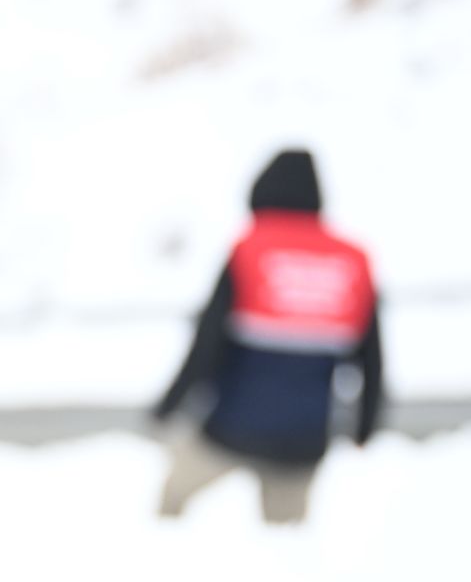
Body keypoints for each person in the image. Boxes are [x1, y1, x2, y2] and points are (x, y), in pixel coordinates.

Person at [150, 148, 384, 525]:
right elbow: (371, 357)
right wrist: (365, 427)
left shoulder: (249, 250)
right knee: (287, 544)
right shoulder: (352, 261)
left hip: (229, 428)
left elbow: (206, 344)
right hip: (304, 439)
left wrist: (169, 405)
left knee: (171, 502)